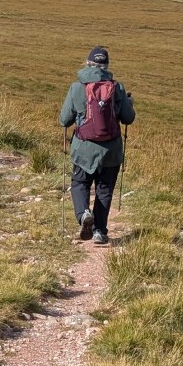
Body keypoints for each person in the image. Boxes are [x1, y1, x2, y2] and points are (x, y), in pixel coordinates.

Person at [59, 46, 135, 243]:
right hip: (111, 151)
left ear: (88, 63)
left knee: (80, 183)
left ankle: (84, 214)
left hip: (83, 149)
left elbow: (64, 120)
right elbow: (128, 118)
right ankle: (100, 231)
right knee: (104, 189)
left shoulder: (77, 87)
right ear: (106, 66)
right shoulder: (117, 87)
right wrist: (129, 103)